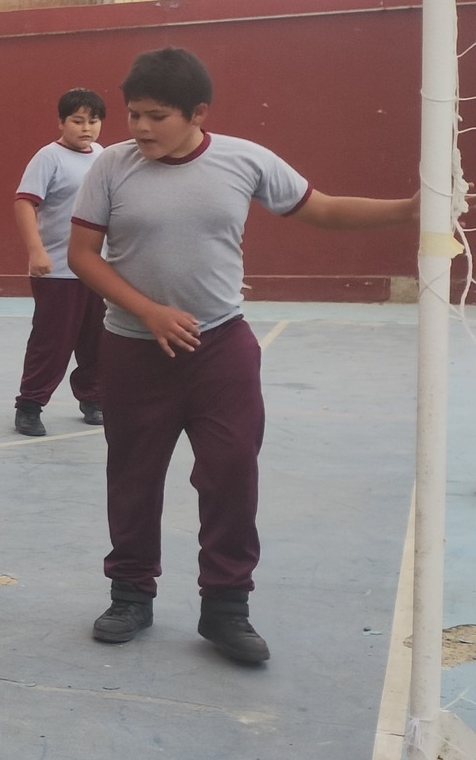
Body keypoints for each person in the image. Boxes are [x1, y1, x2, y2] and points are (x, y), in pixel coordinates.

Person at [68, 47, 417, 664]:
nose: (141, 128)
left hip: (219, 348)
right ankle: (130, 594)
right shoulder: (111, 169)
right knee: (133, 476)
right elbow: (83, 256)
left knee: (231, 473)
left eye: (157, 116)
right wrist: (147, 310)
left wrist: (410, 211)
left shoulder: (244, 160)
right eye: (133, 115)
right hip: (131, 350)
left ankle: (226, 607)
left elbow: (326, 209)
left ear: (198, 112)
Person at [11, 89, 109, 437]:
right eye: (77, 121)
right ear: (62, 122)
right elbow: (25, 203)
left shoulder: (102, 156)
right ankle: (30, 405)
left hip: (97, 269)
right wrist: (37, 251)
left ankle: (94, 399)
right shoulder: (48, 158)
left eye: (93, 121)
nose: (86, 128)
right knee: (52, 342)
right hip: (58, 270)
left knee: (98, 340)